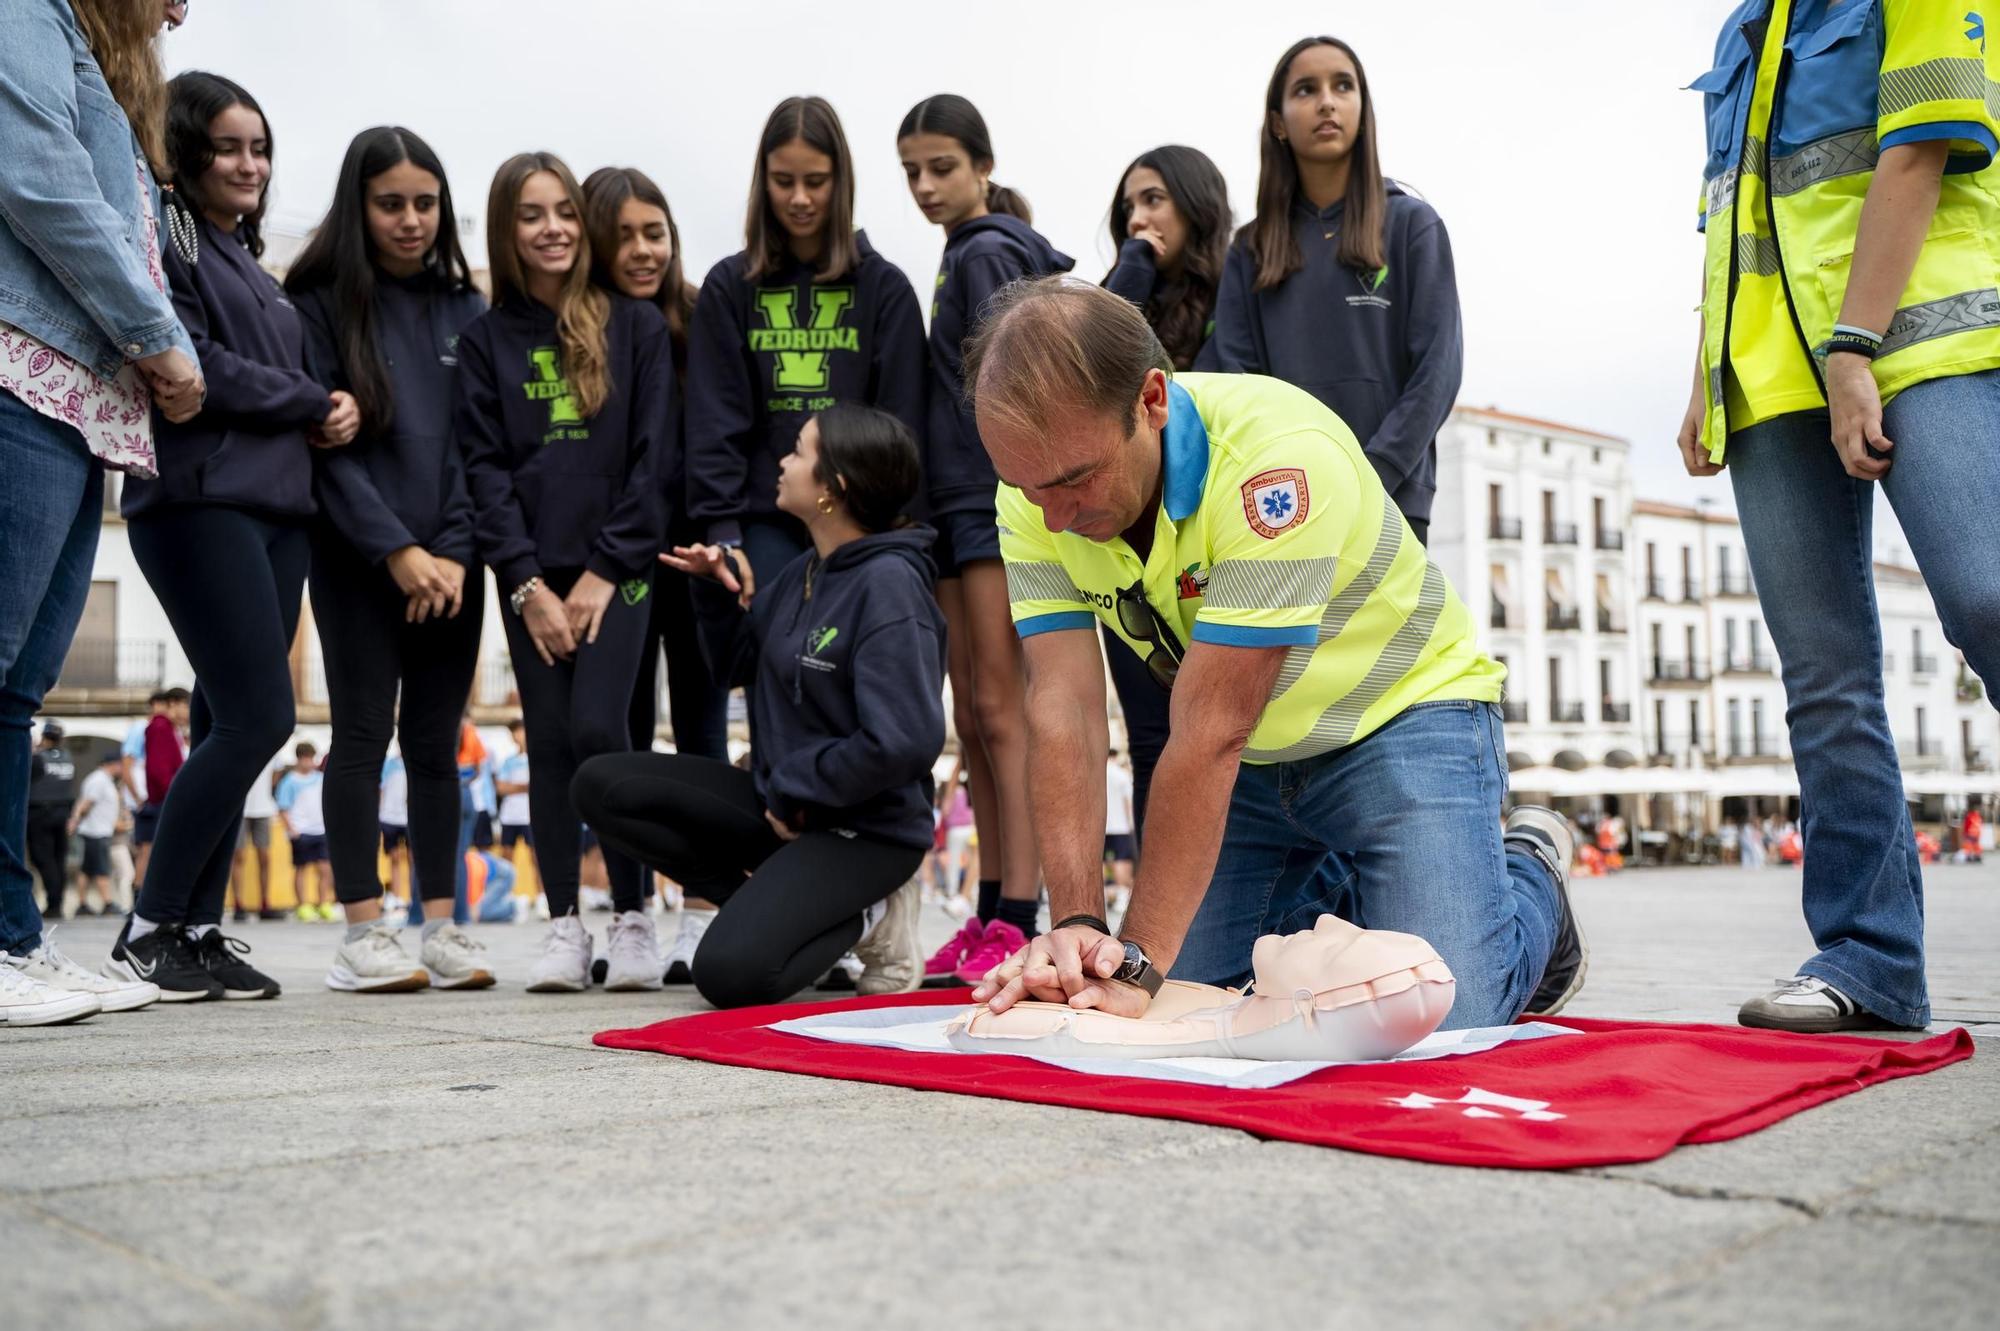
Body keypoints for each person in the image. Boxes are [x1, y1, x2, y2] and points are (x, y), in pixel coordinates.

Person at [960, 279, 1581, 1032]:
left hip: (1404, 718)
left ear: (1151, 400)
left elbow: (1211, 729)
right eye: (1029, 487)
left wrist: (1135, 958)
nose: (1054, 516)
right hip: (1259, 756)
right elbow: (1065, 706)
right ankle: (1359, 885)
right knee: (1165, 1004)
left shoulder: (1276, 463)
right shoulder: (1031, 493)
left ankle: (1530, 865)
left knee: (1451, 1020)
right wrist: (1079, 930)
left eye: (1075, 480)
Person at [1682, 1, 2000, 1033]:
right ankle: (1867, 959)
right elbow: (1735, 222)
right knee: (1822, 676)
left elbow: (1918, 152)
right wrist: (1705, 378)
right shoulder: (1744, 31)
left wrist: (1854, 344)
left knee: (1986, 595)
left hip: (1918, 338)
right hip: (1771, 375)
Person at [108, 71, 354, 1002]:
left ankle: (199, 929)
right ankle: (148, 925)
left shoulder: (249, 261)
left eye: (259, 147)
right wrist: (311, 402)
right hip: (200, 501)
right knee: (262, 716)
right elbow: (198, 364)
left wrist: (323, 413)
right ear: (184, 151)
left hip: (276, 510)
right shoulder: (170, 243)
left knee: (223, 715)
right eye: (227, 145)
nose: (248, 163)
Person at [574, 403, 945, 1007]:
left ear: (834, 487)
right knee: (601, 785)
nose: (782, 462)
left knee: (726, 974)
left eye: (799, 451)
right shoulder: (806, 571)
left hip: (866, 831)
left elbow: (906, 739)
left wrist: (796, 788)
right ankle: (774, 902)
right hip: (787, 809)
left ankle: (870, 920)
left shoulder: (890, 585)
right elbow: (734, 668)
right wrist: (715, 593)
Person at [1, 0, 201, 1022]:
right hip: (20, 376)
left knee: (20, 680)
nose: (181, 9)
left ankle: (15, 939)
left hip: (72, 395)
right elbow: (39, 177)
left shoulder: (80, 46)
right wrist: (157, 333)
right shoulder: (23, 12)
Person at [457, 151, 674, 991]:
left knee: (600, 731)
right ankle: (561, 928)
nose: (551, 228)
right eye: (530, 214)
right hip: (531, 582)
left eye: (564, 213)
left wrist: (603, 571)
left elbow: (656, 462)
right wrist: (526, 584)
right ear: (509, 230)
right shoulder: (484, 342)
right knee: (547, 743)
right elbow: (484, 472)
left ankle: (631, 915)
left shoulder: (635, 327)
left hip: (620, 573)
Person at [286, 124, 494, 992]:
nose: (410, 220)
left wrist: (446, 551)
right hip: (357, 559)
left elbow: (475, 446)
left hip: (454, 559)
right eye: (390, 204)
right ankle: (364, 935)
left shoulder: (467, 309)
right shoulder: (317, 304)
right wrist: (397, 552)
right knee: (363, 736)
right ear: (357, 206)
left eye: (425, 203)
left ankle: (442, 930)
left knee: (438, 747)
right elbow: (330, 452)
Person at [897, 93, 1074, 986]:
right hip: (958, 505)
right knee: (975, 716)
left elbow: (1023, 373)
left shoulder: (988, 249)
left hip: (991, 501)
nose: (927, 186)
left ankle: (1018, 914)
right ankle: (992, 911)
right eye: (913, 172)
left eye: (942, 168)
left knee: (1001, 714)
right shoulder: (961, 252)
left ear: (982, 166)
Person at [1207, 36, 1463, 548]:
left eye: (1342, 86)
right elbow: (1238, 380)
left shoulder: (1413, 225)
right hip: (1282, 507)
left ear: (1363, 110)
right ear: (1278, 122)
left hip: (1392, 500)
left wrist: (1377, 471)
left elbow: (1437, 369)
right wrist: (1288, 481)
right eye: (1306, 89)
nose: (1327, 100)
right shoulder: (1251, 249)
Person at [1100, 146, 1235, 835]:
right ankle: (1160, 923)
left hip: (1214, 541)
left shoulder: (1237, 289)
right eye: (1128, 206)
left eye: (1153, 199)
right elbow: (1089, 362)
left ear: (1194, 202)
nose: (1138, 217)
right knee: (1151, 738)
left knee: (1220, 728)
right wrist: (1134, 267)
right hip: (1126, 550)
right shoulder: (1128, 292)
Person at [581, 166, 730, 769]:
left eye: (655, 232)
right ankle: (632, 870)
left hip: (696, 556)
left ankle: (714, 870)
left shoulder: (705, 318)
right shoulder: (581, 337)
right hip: (620, 557)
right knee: (626, 734)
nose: (643, 251)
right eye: (622, 236)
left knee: (706, 737)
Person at [276, 742, 332, 922]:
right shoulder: (289, 781)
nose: (309, 762)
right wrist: (292, 830)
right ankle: (303, 906)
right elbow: (283, 807)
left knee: (325, 868)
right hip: (301, 830)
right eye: (306, 758)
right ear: (299, 759)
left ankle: (324, 904)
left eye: (311, 758)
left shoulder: (320, 778)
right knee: (302, 868)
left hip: (320, 829)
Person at [26, 721, 77, 919]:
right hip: (62, 813)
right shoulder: (67, 758)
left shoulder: (38, 759)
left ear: (45, 738)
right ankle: (57, 903)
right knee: (58, 859)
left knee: (43, 859)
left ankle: (53, 903)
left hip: (40, 814)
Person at [69, 750, 125, 917]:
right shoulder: (99, 780)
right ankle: (107, 903)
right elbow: (85, 803)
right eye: (120, 764)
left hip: (98, 830)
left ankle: (82, 904)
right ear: (112, 764)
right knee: (102, 869)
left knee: (87, 870)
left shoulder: (104, 780)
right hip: (95, 831)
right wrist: (75, 820)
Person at [229, 762, 278, 922]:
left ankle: (264, 902)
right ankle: (238, 904)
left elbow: (275, 775)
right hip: (240, 807)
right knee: (238, 856)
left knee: (264, 856)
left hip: (263, 808)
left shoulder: (273, 744)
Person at [1103, 748, 1136, 917]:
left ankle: (1106, 894)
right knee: (1121, 860)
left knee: (1102, 862)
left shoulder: (1097, 774)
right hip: (1120, 825)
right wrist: (1131, 824)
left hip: (1101, 826)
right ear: (1115, 756)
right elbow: (1128, 802)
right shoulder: (1121, 775)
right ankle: (1122, 896)